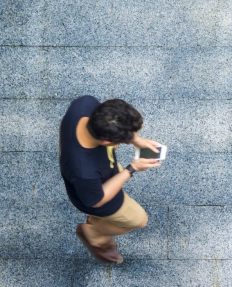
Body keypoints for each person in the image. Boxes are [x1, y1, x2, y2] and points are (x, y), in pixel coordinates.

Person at [59, 96, 162, 264]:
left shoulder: (85, 104)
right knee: (139, 220)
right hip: (94, 196)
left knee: (116, 171)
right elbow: (97, 200)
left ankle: (95, 221)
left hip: (96, 178)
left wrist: (136, 140)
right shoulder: (84, 170)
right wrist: (132, 168)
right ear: (107, 141)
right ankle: (94, 234)